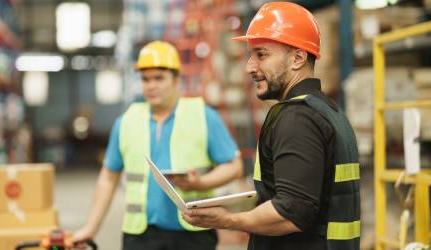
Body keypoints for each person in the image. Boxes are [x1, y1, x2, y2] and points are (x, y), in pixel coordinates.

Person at [182, 2, 360, 250]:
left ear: (298, 58)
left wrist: (227, 219)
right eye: (250, 55)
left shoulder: (298, 118)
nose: (249, 67)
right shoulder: (328, 111)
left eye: (261, 54)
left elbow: (292, 212)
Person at [73, 41, 244, 250]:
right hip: (140, 236)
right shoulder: (126, 121)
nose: (151, 85)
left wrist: (200, 183)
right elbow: (108, 179)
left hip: (193, 231)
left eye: (158, 78)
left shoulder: (203, 115)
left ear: (175, 79)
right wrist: (91, 228)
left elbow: (234, 167)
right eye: (145, 79)